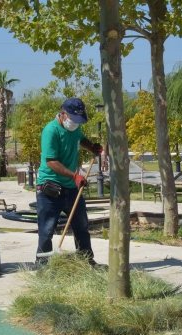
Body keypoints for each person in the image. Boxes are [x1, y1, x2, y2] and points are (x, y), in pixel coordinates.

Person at [36, 98, 103, 266]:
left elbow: (80, 139)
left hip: (71, 188)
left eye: (79, 120)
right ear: (63, 114)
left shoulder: (75, 127)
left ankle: (87, 261)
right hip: (50, 189)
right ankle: (43, 265)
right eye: (73, 119)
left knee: (81, 225)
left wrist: (92, 147)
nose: (76, 124)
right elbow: (51, 161)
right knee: (46, 231)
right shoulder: (51, 131)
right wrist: (74, 176)